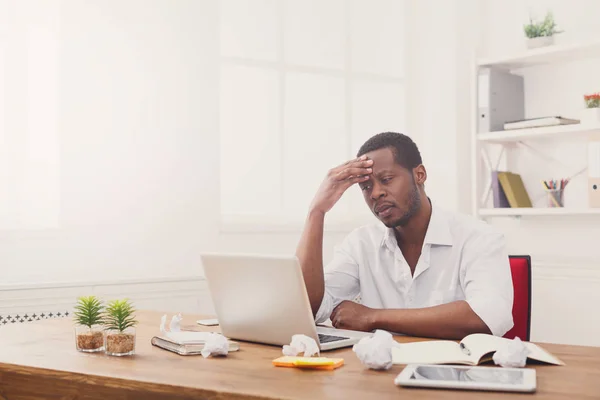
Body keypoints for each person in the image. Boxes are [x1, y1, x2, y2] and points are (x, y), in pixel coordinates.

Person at [296, 132, 514, 340]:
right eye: (366, 186)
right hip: (379, 373)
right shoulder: (361, 243)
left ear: (419, 175)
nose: (375, 193)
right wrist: (317, 212)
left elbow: (490, 315)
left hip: (455, 372)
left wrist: (372, 317)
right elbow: (309, 308)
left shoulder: (478, 237)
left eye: (387, 179)